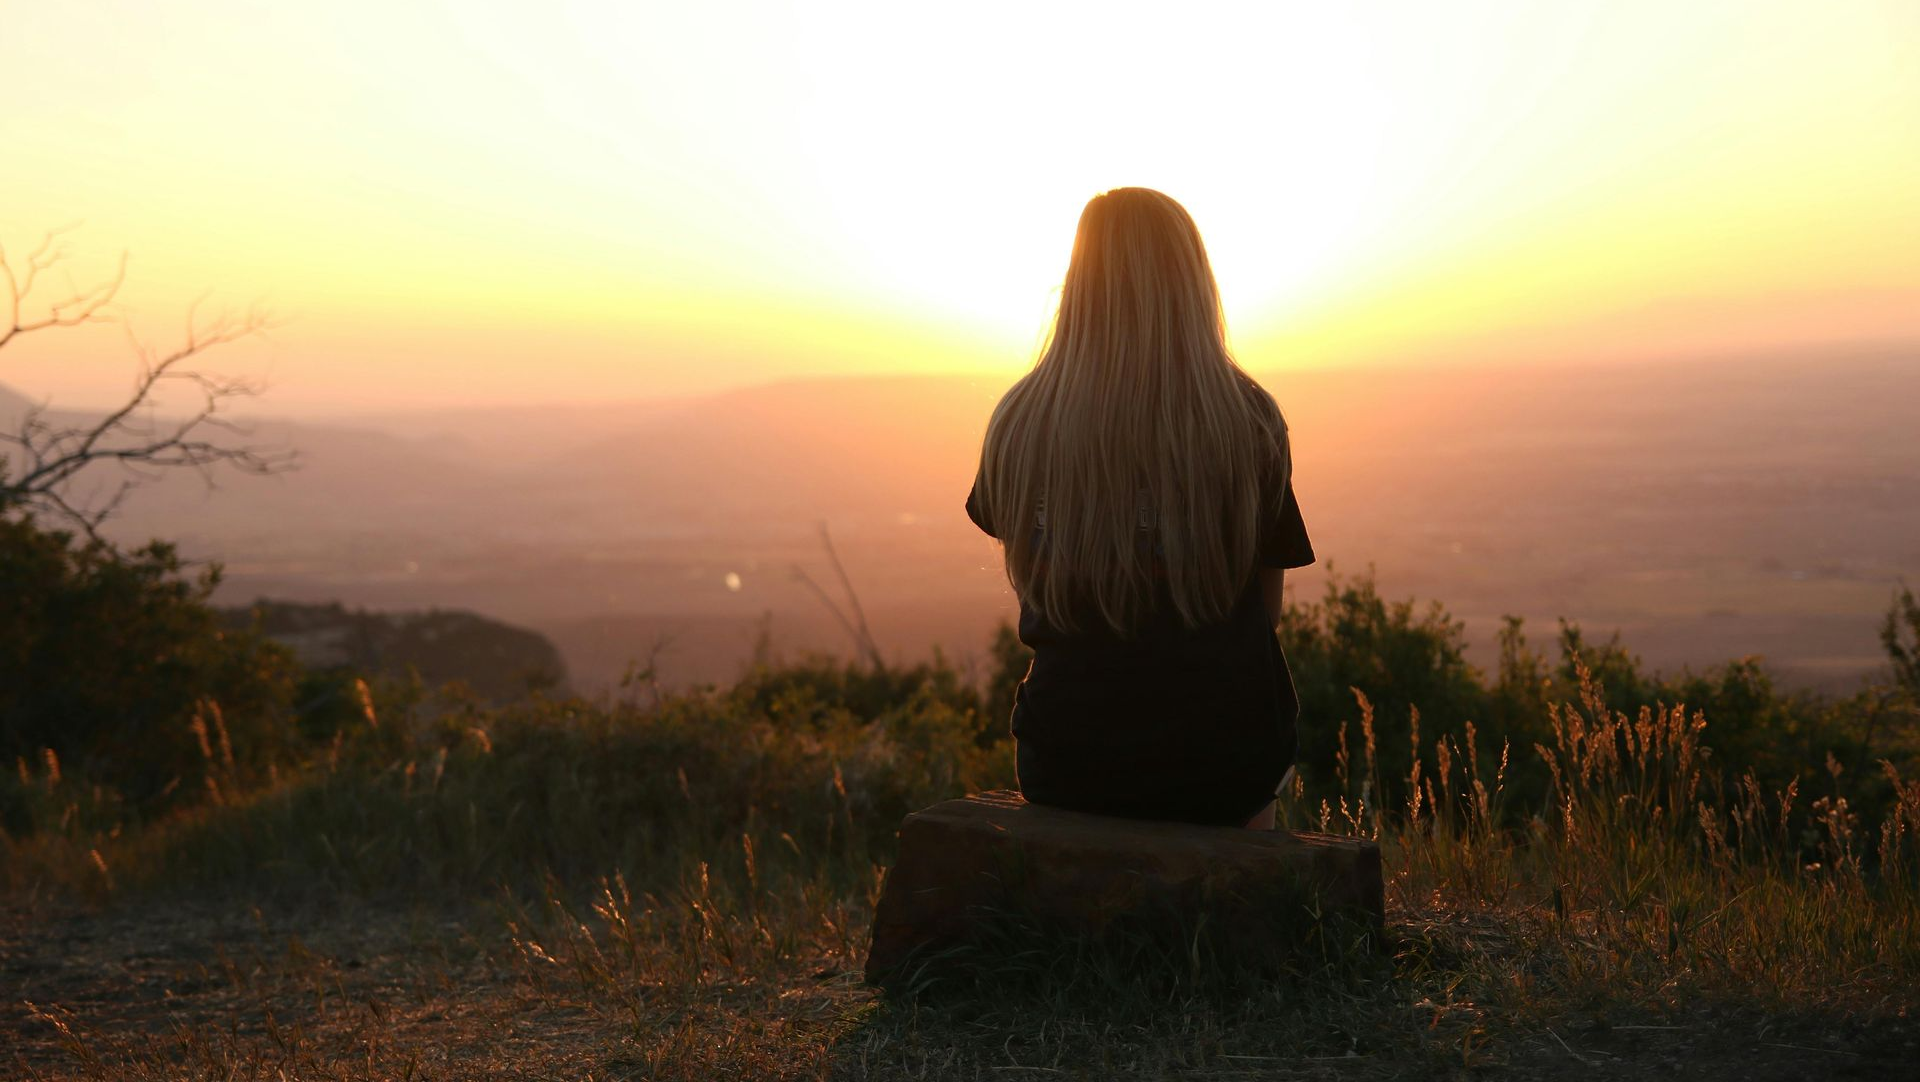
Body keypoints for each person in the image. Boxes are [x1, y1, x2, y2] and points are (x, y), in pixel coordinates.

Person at [964, 186, 1315, 831]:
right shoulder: (1250, 422)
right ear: (1193, 285)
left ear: (1077, 284)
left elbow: (1034, 582)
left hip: (1067, 760)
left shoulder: (1019, 422)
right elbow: (1265, 615)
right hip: (1225, 763)